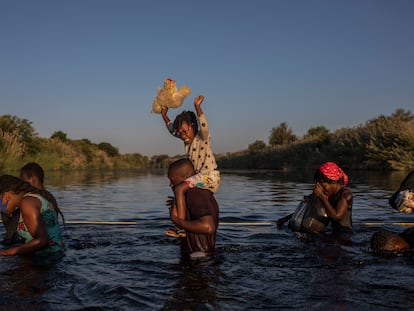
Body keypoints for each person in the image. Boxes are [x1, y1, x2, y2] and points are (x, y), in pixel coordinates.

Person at [161, 95, 220, 237]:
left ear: (193, 126)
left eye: (185, 131)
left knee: (179, 188)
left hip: (210, 176)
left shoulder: (202, 138)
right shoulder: (186, 141)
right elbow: (172, 129)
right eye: (180, 133)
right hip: (199, 177)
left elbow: (204, 126)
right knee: (178, 194)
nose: (182, 135)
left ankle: (180, 226)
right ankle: (180, 224)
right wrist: (164, 115)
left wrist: (198, 108)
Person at [167, 158, 219, 259]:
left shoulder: (196, 194)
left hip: (200, 259)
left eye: (172, 180)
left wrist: (175, 220)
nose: (170, 184)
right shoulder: (191, 195)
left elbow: (208, 227)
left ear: (187, 178)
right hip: (197, 256)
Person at [0, 174, 64, 256]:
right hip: (49, 257)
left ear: (6, 196)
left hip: (46, 259)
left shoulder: (27, 203)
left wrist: (5, 252)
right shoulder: (28, 200)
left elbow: (42, 241)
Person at [313, 162, 353, 234]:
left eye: (323, 185)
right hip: (333, 232)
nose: (321, 189)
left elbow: (337, 216)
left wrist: (321, 196)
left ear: (333, 182)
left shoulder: (346, 194)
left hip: (344, 234)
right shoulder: (328, 195)